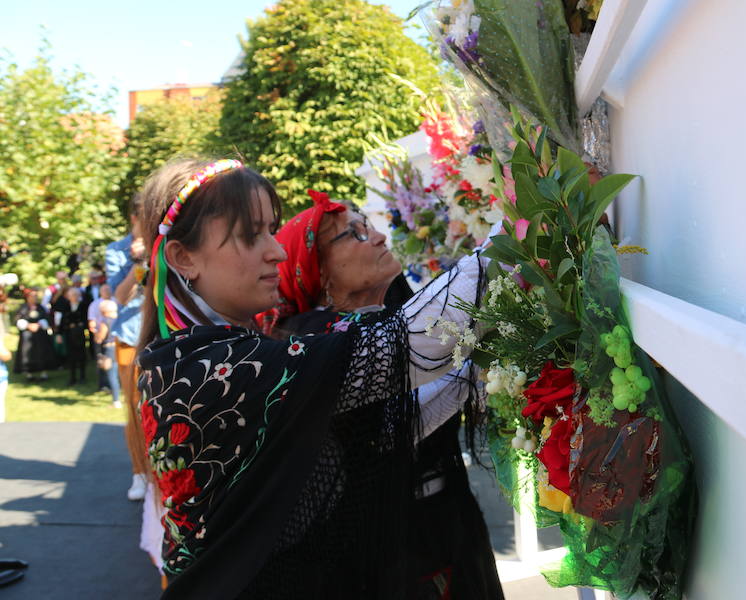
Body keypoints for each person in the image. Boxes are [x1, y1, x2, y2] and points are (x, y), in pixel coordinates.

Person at [134, 158, 490, 599]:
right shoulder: (217, 366)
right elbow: (413, 343)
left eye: (271, 230)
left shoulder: (188, 355)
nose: (277, 252)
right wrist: (523, 230)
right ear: (183, 257)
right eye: (251, 235)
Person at [258, 195, 504, 599]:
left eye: (367, 224)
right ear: (320, 276)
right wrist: (521, 229)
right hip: (385, 556)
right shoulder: (312, 346)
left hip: (446, 524)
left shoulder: (391, 316)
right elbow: (411, 411)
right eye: (352, 234)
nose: (376, 236)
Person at [106, 195, 149, 501]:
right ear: (134, 219)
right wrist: (139, 263)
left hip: (161, 335)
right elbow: (121, 297)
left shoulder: (166, 245)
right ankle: (140, 473)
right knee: (134, 410)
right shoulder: (116, 251)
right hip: (131, 339)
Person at [13, 291, 56, 380]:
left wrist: (39, 325)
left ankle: (43, 372)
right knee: (27, 353)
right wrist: (28, 326)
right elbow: (17, 320)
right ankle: (29, 373)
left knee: (42, 352)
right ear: (27, 297)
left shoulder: (41, 308)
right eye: (32, 296)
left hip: (40, 335)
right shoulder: (23, 308)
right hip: (27, 335)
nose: (34, 298)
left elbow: (47, 319)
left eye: (36, 296)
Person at [56, 286, 88, 385]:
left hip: (80, 334)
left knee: (81, 355)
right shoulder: (66, 306)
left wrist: (78, 325)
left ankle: (82, 377)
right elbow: (62, 321)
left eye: (76, 295)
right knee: (71, 356)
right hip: (69, 334)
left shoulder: (83, 305)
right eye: (72, 295)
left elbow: (86, 320)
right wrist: (59, 334)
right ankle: (72, 377)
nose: (74, 297)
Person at [93, 299, 121, 408]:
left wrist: (96, 334)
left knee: (112, 375)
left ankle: (116, 400)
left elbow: (100, 338)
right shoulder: (119, 319)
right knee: (118, 373)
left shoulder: (105, 321)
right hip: (119, 347)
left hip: (109, 349)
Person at [87, 284, 114, 390]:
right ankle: (104, 384)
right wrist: (98, 335)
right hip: (103, 338)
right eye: (104, 290)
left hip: (114, 338)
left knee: (113, 364)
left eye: (108, 290)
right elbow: (92, 322)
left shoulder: (116, 300)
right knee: (102, 362)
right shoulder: (95, 304)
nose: (107, 292)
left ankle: (114, 385)